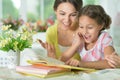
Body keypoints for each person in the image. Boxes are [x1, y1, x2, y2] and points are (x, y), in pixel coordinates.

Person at [60, 5, 117, 69]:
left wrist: (81, 64)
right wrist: (76, 45)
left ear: (100, 26)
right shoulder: (80, 40)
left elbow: (111, 63)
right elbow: (62, 59)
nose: (84, 32)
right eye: (81, 27)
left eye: (90, 27)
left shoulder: (104, 38)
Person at [39, 0, 83, 64]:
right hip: (61, 73)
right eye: (62, 14)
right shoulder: (51, 32)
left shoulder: (84, 30)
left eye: (73, 15)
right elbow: (54, 64)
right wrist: (52, 58)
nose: (67, 20)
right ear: (55, 10)